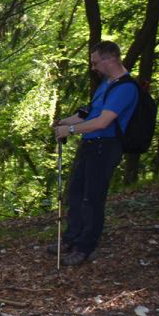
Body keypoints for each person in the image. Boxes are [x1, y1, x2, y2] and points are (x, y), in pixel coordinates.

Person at [53, 41, 138, 265]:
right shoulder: (106, 85)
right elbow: (87, 115)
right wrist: (62, 123)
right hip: (90, 145)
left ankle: (85, 247)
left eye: (95, 62)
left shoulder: (126, 88)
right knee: (76, 193)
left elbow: (102, 122)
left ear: (110, 59)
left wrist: (69, 130)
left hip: (106, 147)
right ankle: (71, 239)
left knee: (92, 198)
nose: (93, 67)